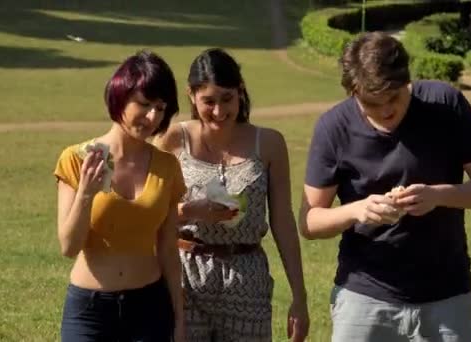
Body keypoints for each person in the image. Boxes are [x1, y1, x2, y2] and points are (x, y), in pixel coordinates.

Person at [299, 32, 471, 342]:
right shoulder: (333, 127)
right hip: (364, 296)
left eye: (394, 97)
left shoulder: (445, 104)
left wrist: (438, 195)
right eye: (371, 103)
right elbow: (309, 221)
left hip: (446, 295)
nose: (385, 111)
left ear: (407, 80)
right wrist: (358, 210)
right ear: (352, 91)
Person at [154, 47, 309, 342]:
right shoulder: (173, 140)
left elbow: (283, 221)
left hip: (246, 279)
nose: (219, 111)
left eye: (227, 99)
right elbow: (151, 215)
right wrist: (190, 211)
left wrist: (299, 297)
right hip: (185, 277)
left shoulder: (269, 143)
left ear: (240, 91)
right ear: (191, 96)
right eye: (208, 101)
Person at [54, 51, 186, 341]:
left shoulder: (167, 166)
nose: (153, 117)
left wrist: (180, 317)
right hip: (89, 313)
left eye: (161, 108)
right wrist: (86, 193)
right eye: (144, 104)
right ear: (120, 96)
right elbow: (69, 246)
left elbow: (167, 249)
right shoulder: (76, 159)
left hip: (150, 309)